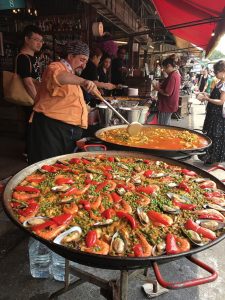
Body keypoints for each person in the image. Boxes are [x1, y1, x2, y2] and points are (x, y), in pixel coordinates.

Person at [28, 40, 97, 164]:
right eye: (82, 60)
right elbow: (59, 76)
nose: (84, 65)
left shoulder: (72, 75)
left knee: (60, 167)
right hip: (51, 129)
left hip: (65, 131)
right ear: (70, 56)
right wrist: (83, 81)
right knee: (46, 166)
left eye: (86, 62)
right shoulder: (56, 67)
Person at [16, 25, 43, 156]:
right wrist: (37, 100)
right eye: (36, 39)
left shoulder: (33, 58)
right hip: (28, 98)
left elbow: (34, 79)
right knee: (32, 125)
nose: (40, 43)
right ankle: (29, 153)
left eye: (41, 41)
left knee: (34, 125)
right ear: (27, 39)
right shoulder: (23, 57)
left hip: (32, 97)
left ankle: (31, 151)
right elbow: (27, 82)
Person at [197, 60, 225, 164]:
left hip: (218, 117)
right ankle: (208, 157)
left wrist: (208, 99)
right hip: (212, 115)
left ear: (223, 71)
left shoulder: (224, 84)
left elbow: (221, 101)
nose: (215, 74)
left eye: (216, 72)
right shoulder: (219, 83)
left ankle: (214, 159)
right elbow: (214, 96)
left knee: (216, 137)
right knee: (210, 136)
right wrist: (206, 95)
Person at [153, 55, 181, 125]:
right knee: (166, 123)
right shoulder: (175, 74)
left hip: (167, 105)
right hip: (170, 105)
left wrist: (157, 89)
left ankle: (162, 136)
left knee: (163, 125)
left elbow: (167, 93)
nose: (164, 70)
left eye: (164, 68)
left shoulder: (173, 76)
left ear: (169, 66)